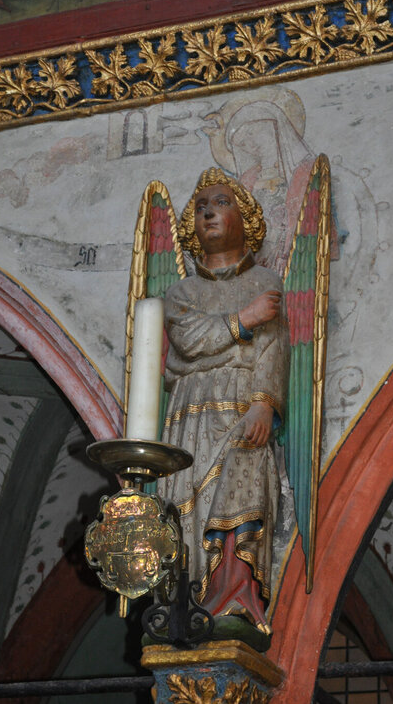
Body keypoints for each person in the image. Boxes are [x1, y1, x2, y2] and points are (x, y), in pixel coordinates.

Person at [158, 167, 289, 634]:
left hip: (241, 406)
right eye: (200, 207)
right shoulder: (182, 292)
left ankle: (231, 596)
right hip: (191, 410)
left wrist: (264, 402)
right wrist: (243, 321)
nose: (208, 212)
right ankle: (185, 598)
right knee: (186, 499)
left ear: (246, 218)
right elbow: (188, 339)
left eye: (221, 203)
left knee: (243, 482)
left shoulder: (265, 280)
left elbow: (273, 347)